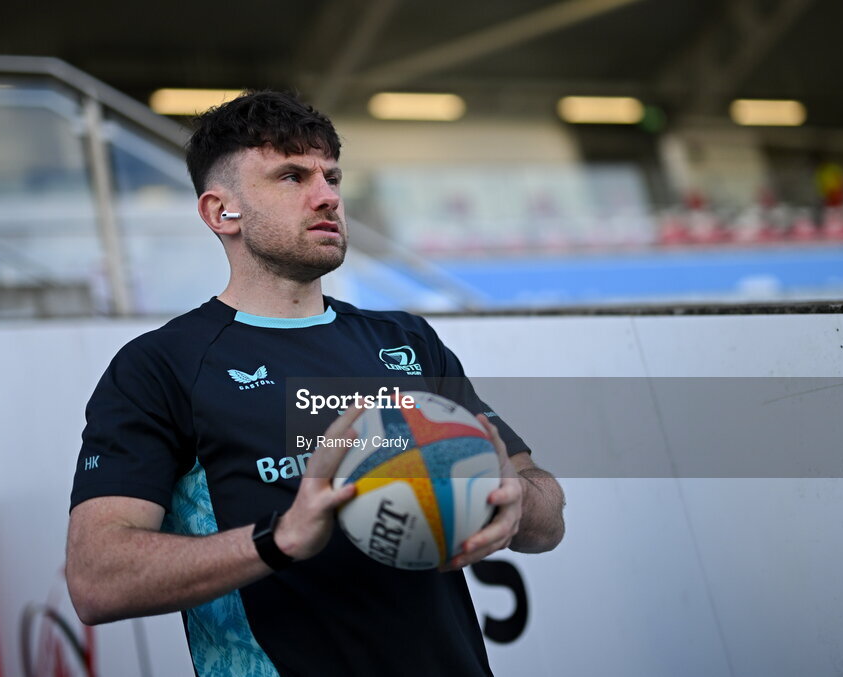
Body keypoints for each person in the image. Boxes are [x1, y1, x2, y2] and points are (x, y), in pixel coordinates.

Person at [66, 90, 565, 676]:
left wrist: (515, 502)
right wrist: (280, 539)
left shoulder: (405, 339)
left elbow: (546, 513)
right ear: (221, 211)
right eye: (291, 176)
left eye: (331, 175)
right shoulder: (160, 365)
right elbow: (96, 579)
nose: (327, 195)